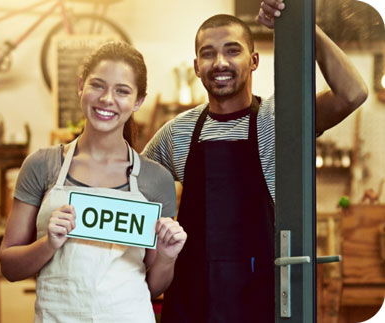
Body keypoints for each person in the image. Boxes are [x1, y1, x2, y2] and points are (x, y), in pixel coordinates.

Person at [142, 1, 368, 322]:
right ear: (196, 66)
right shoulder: (176, 133)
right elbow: (133, 191)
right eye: (208, 53)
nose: (220, 62)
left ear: (254, 60)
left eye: (232, 51)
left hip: (262, 298)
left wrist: (300, 27)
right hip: (192, 301)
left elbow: (352, 94)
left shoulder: (279, 119)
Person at [0, 41, 187, 323]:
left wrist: (168, 256)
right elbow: (9, 267)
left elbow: (153, 286)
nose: (107, 99)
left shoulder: (156, 179)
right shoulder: (42, 165)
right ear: (80, 86)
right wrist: (49, 243)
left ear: (138, 101)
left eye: (122, 91)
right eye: (97, 85)